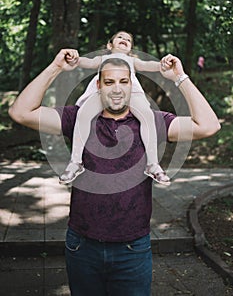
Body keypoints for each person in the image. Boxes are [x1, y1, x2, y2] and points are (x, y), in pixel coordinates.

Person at [8, 49, 220, 296]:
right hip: (82, 246)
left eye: (123, 81)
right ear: (98, 85)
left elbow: (208, 125)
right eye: (109, 82)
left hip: (133, 250)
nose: (117, 89)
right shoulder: (78, 119)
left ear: (133, 85)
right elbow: (20, 112)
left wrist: (180, 77)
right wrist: (56, 67)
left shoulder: (151, 123)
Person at [59, 31, 171, 186]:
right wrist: (75, 59)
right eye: (120, 37)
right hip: (103, 91)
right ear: (109, 45)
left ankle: (153, 164)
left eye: (128, 40)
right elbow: (88, 62)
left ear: (131, 48)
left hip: (131, 92)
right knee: (83, 114)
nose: (124, 40)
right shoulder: (103, 59)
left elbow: (148, 65)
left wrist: (161, 65)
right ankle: (76, 161)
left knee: (147, 115)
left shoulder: (131, 60)